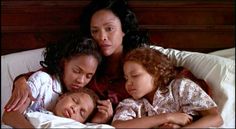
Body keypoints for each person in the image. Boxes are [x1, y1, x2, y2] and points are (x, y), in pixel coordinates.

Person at [4, 0, 212, 124]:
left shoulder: (143, 63)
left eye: (109, 28)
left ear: (124, 29)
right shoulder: (89, 67)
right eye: (95, 31)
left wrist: (179, 120)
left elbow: (184, 87)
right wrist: (21, 81)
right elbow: (52, 76)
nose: (102, 37)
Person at [2, 34, 102, 128]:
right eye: (76, 71)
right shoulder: (43, 81)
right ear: (64, 63)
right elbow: (9, 115)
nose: (81, 80)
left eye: (88, 76)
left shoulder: (84, 96)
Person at [111, 47, 223, 128]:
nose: (128, 83)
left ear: (155, 73)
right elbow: (119, 125)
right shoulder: (131, 104)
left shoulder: (180, 87)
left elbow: (215, 118)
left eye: (135, 76)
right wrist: (167, 117)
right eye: (126, 78)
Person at [3, 87, 99, 128]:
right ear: (62, 97)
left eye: (81, 113)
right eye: (74, 101)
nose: (75, 108)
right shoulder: (36, 110)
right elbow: (8, 116)